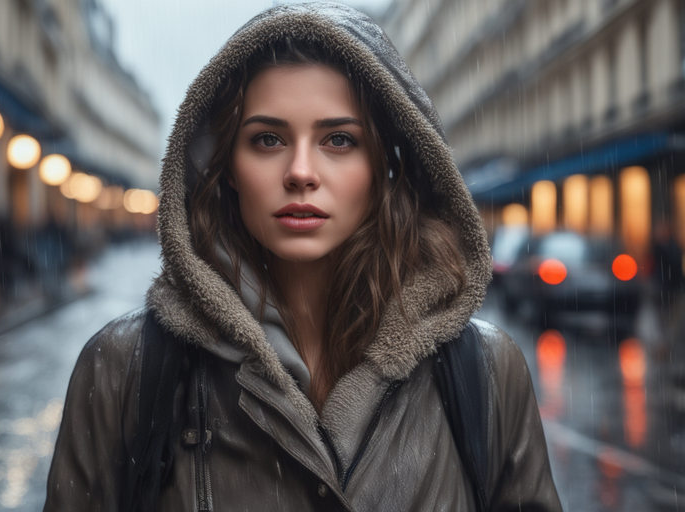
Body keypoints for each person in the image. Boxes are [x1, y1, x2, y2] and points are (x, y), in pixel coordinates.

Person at [44, 3, 562, 511]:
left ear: (383, 164)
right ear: (227, 165)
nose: (300, 171)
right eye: (267, 139)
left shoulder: (485, 372)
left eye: (338, 139)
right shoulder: (123, 368)